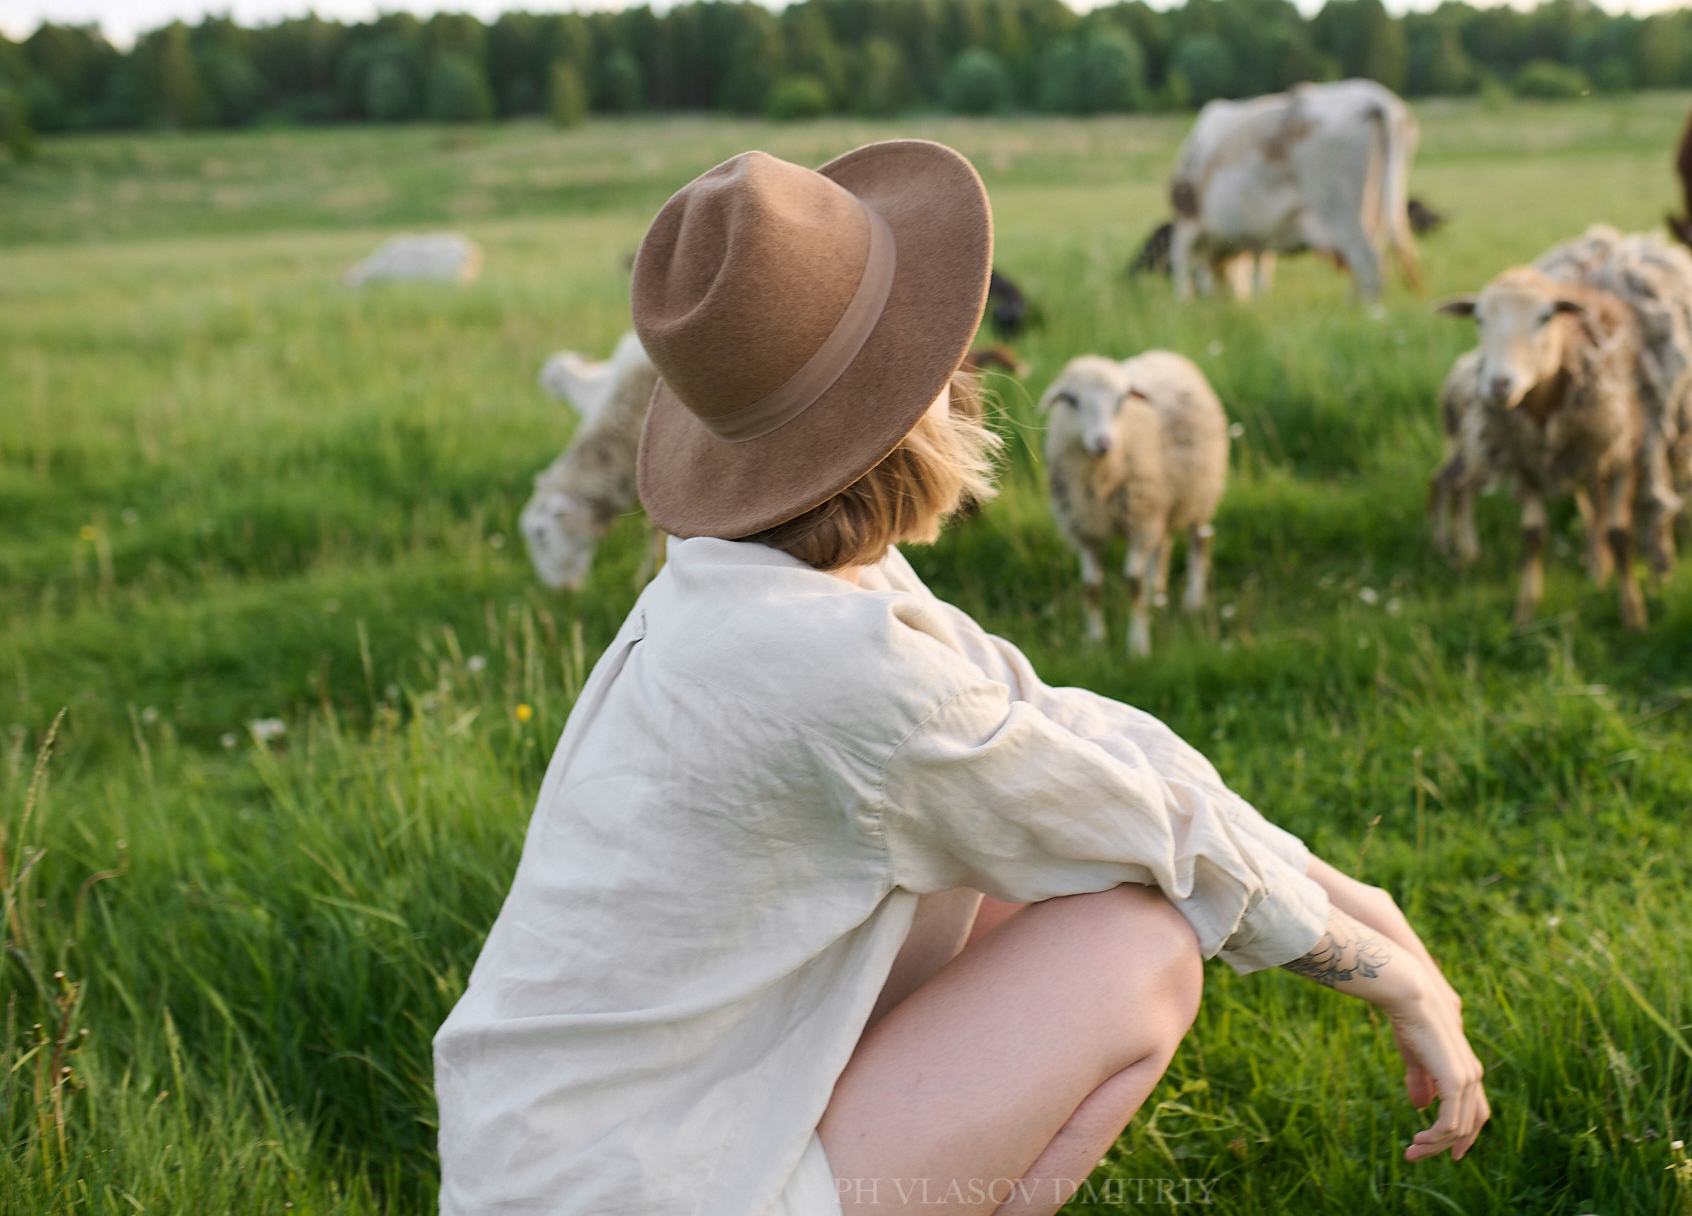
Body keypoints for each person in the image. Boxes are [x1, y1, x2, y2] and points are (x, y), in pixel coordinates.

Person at [433, 141, 1487, 1216]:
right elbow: (1148, 838)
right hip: (639, 1190)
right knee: (1139, 940)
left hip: (554, 1154)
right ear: (908, 403)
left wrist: (1361, 903)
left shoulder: (743, 575)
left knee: (1024, 867)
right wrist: (1389, 976)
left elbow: (1066, 739)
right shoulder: (848, 670)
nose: (969, 372)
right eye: (941, 348)